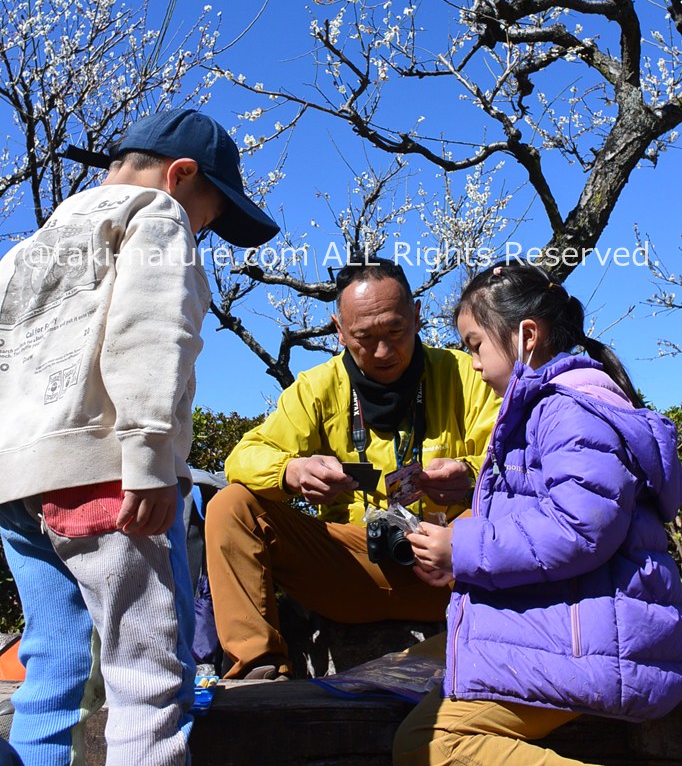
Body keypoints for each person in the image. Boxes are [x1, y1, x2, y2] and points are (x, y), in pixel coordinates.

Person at [0, 108, 279, 766]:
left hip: (17, 483)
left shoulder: (27, 250)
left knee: (54, 669)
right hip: (104, 476)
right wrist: (150, 458)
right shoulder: (156, 216)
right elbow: (152, 335)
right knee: (145, 676)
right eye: (208, 217)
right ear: (180, 177)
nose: (201, 231)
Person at [396, 260, 682, 766]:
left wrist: (462, 547)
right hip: (581, 632)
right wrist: (459, 560)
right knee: (405, 673)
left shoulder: (567, 411)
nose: (474, 364)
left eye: (475, 346)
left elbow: (579, 528)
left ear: (527, 335)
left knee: (432, 742)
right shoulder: (548, 409)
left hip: (594, 649)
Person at [205, 257, 500, 680]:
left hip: (449, 564)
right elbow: (243, 458)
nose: (383, 351)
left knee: (497, 513)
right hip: (351, 568)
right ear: (339, 330)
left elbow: (517, 458)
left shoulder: (467, 375)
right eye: (363, 337)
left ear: (417, 316)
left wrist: (472, 476)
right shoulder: (315, 388)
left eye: (396, 331)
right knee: (230, 506)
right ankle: (260, 666)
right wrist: (291, 471)